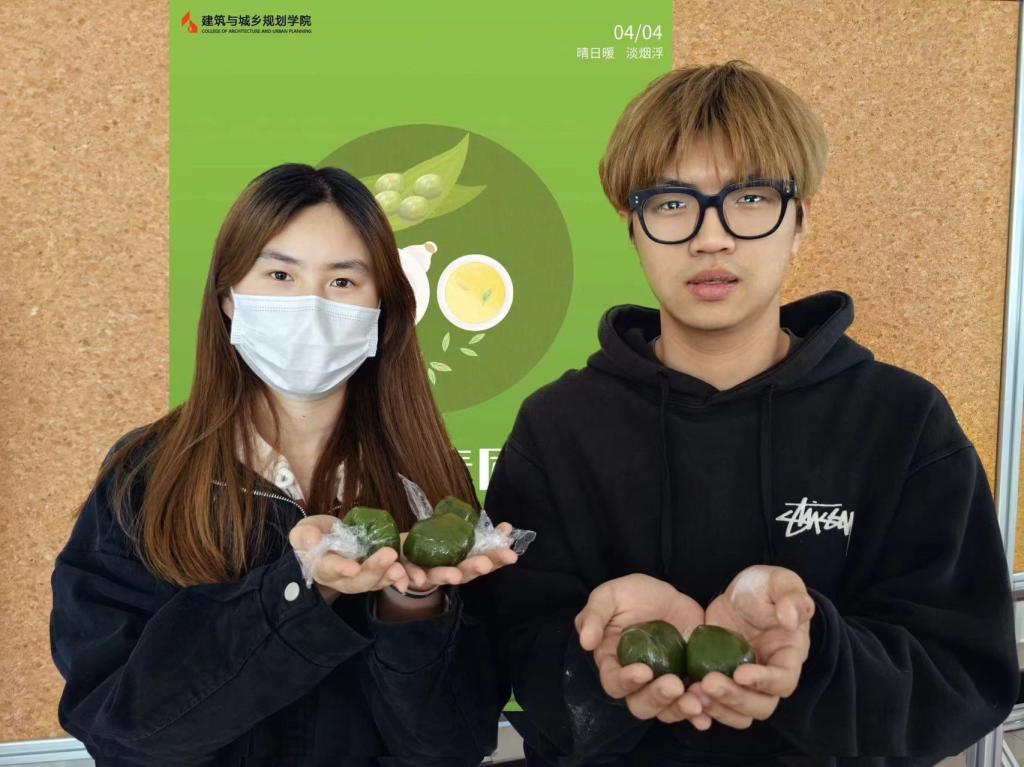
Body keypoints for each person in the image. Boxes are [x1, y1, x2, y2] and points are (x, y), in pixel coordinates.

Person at [461, 60, 1020, 766]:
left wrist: (815, 655)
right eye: (672, 203)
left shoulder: (902, 422)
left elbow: (964, 676)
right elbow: (511, 656)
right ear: (632, 227)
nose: (711, 237)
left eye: (750, 197)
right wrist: (601, 668)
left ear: (800, 221)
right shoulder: (557, 427)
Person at [49, 164, 517, 766]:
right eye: (280, 275)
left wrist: (412, 606)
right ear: (228, 300)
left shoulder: (428, 485)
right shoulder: (147, 476)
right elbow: (121, 733)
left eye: (343, 282)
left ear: (383, 307)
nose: (311, 307)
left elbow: (453, 745)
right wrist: (302, 588)